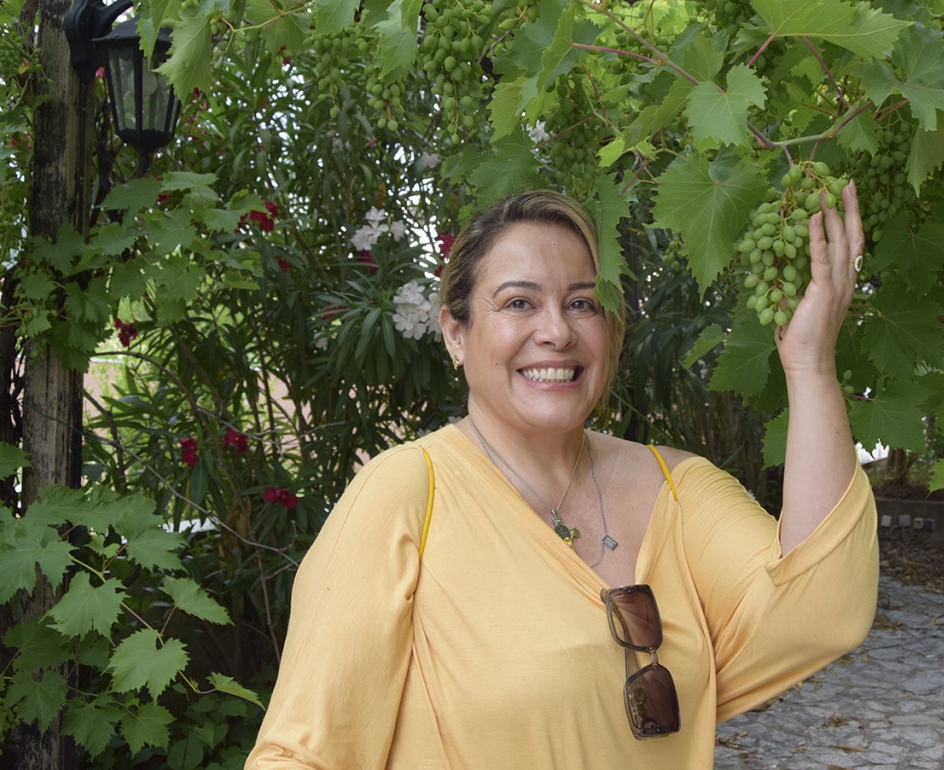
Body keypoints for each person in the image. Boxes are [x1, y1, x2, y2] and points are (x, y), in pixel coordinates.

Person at [245, 187, 878, 769]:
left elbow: (824, 613)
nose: (556, 331)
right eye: (519, 303)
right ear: (455, 333)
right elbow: (301, 754)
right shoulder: (406, 495)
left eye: (581, 303)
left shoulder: (678, 486)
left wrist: (810, 363)